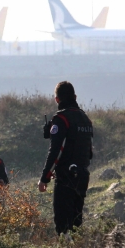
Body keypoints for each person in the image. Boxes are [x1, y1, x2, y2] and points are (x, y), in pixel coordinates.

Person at [38, 81, 94, 235]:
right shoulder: (85, 118)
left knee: (63, 224)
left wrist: (45, 178)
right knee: (76, 223)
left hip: (66, 177)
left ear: (57, 100)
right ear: (75, 96)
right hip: (83, 175)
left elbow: (56, 151)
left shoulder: (61, 118)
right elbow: (89, 152)